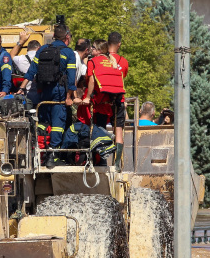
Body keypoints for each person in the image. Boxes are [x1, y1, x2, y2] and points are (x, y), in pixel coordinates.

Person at [21, 23, 77, 168]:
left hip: (44, 92)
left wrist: (21, 88)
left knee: (45, 123)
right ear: (67, 37)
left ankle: (43, 153)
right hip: (59, 93)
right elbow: (71, 79)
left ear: (53, 36)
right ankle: (53, 156)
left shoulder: (42, 49)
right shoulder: (69, 53)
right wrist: (69, 97)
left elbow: (31, 71)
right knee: (58, 124)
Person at [83, 32, 129, 165]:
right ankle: (117, 163)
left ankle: (100, 160)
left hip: (102, 100)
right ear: (119, 44)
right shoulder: (122, 61)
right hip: (118, 99)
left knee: (100, 128)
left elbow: (92, 79)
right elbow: (121, 78)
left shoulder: (96, 61)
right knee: (118, 130)